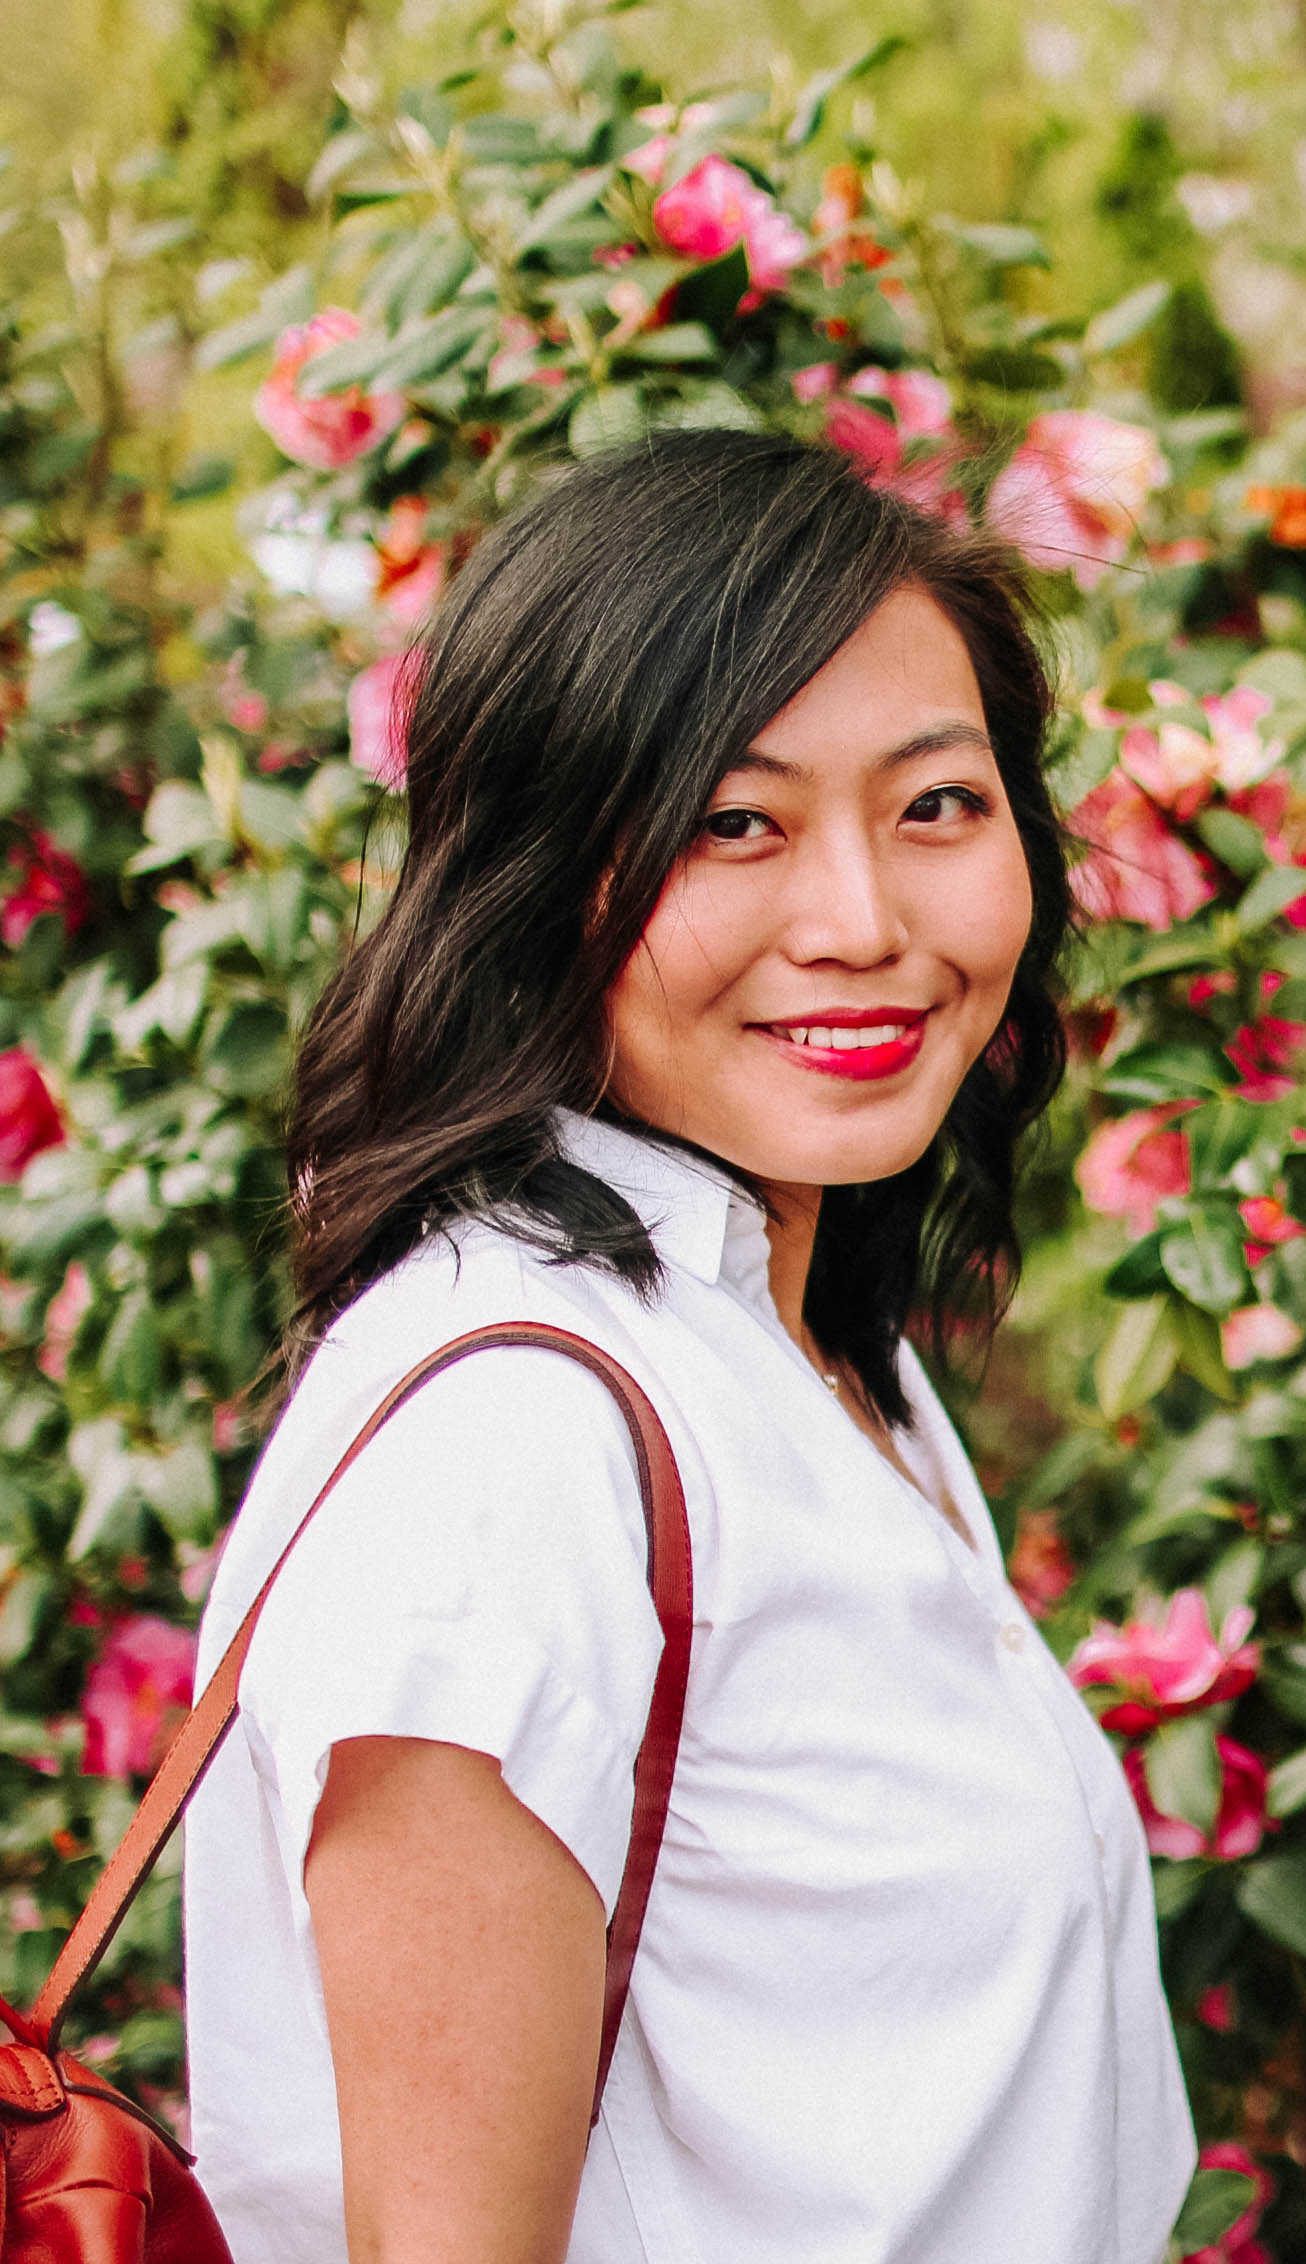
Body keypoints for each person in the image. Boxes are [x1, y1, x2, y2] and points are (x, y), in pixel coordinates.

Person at [181, 432, 1197, 2264]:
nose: (864, 924)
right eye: (735, 824)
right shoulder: (514, 1457)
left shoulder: (787, 1340)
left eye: (938, 805)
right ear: (539, 879)